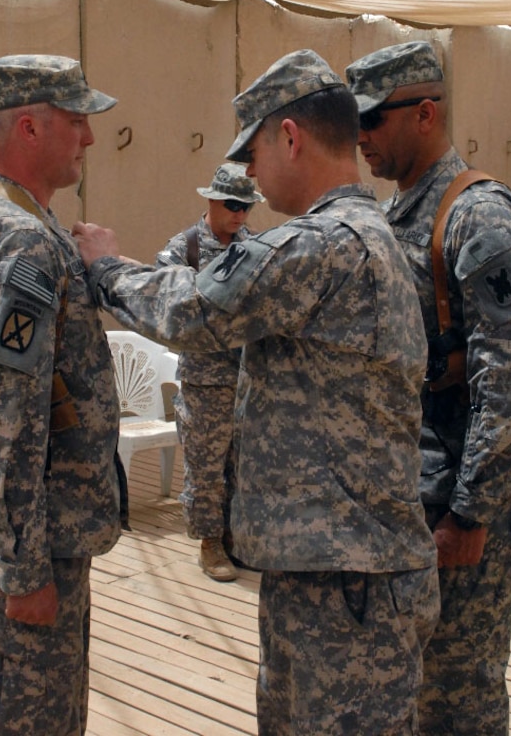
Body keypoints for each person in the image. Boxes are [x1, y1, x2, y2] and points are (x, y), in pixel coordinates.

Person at [73, 49, 440, 736]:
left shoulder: (322, 243)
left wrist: (104, 268)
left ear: (289, 136)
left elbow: (193, 311)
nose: (247, 176)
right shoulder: (373, 232)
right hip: (342, 569)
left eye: (252, 153)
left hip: (344, 583)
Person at [345, 40, 511, 736]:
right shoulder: (393, 215)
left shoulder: (475, 218)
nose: (359, 138)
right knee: (404, 688)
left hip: (451, 510)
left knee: (457, 699)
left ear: (424, 113)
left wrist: (473, 513)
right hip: (402, 498)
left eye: (372, 119)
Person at [0, 54, 123, 736]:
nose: (89, 138)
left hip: (22, 533)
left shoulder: (10, 221)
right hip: (20, 544)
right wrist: (23, 567)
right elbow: (3, 416)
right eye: (76, 122)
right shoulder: (21, 244)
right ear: (30, 128)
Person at [156, 161, 264, 582]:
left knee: (241, 463)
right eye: (232, 205)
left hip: (246, 377)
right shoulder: (184, 248)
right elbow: (165, 303)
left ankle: (234, 536)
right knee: (206, 466)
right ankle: (209, 541)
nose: (240, 215)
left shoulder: (254, 246)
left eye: (247, 207)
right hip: (205, 379)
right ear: (212, 201)